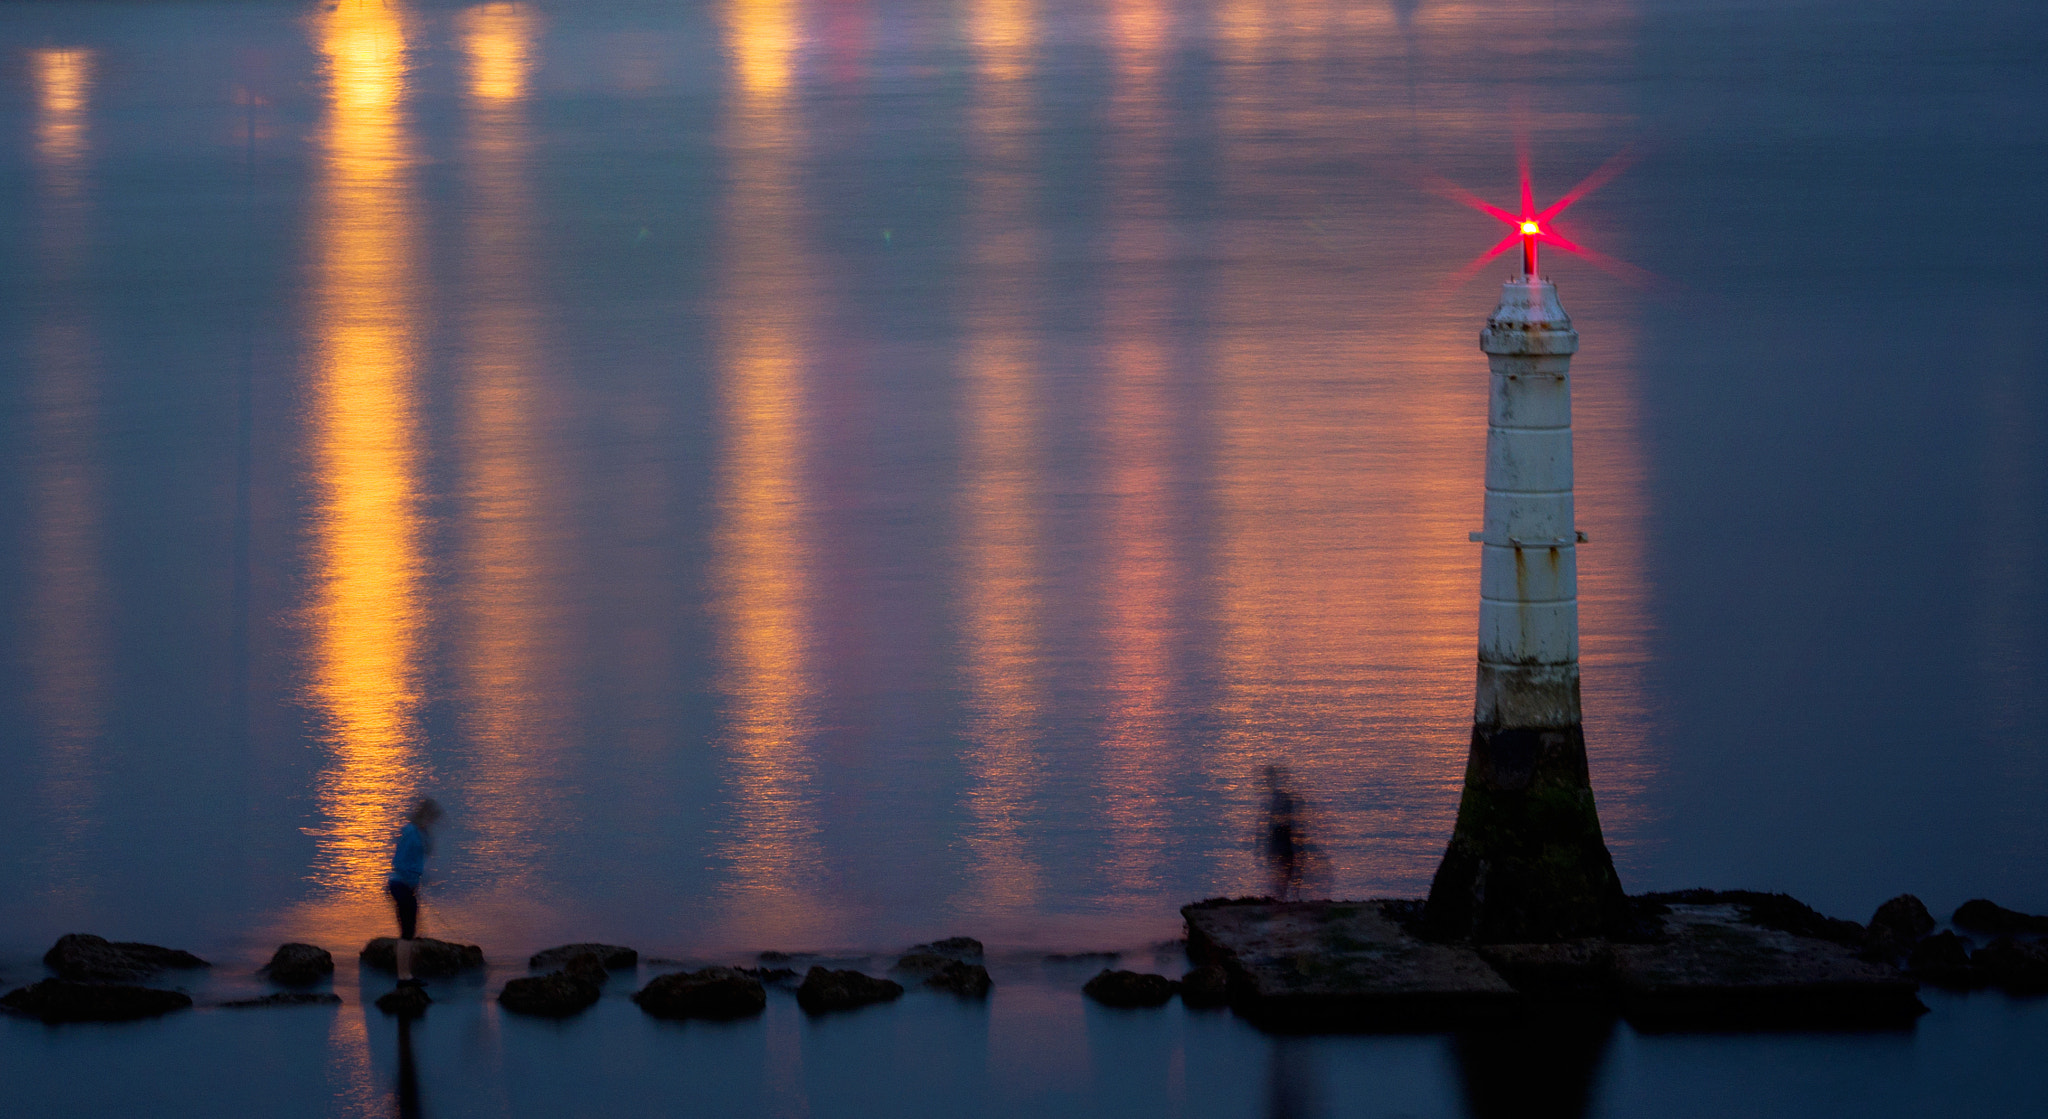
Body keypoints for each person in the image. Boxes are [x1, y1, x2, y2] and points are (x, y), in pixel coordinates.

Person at [387, 797, 442, 987]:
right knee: (407, 933)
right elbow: (400, 861)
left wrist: (419, 880)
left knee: (410, 930)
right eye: (431, 818)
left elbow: (416, 860)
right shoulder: (411, 831)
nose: (433, 822)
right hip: (401, 885)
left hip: (405, 885)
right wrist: (411, 880)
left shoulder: (419, 832)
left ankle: (405, 975)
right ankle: (404, 977)